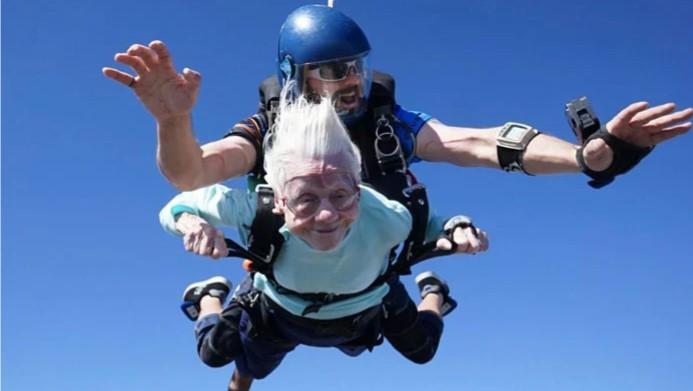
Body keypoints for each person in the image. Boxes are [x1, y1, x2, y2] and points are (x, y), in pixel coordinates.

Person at [102, 4, 691, 196]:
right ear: (294, 78)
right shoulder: (268, 126)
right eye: (330, 71)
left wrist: (588, 157)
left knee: (411, 346)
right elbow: (192, 173)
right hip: (288, 269)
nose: (350, 82)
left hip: (369, 271)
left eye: (355, 67)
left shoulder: (390, 124)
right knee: (253, 345)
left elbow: (483, 144)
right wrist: (174, 123)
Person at [159, 92, 490, 390]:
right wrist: (193, 224)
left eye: (341, 195)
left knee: (422, 350)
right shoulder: (253, 209)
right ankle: (208, 296)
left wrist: (458, 227)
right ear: (279, 201)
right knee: (216, 353)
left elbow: (430, 223)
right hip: (279, 308)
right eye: (306, 200)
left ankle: (435, 294)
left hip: (362, 308)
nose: (327, 215)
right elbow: (178, 205)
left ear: (359, 193)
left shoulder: (388, 216)